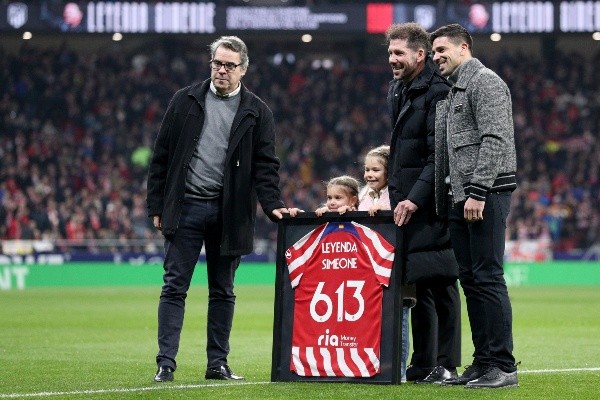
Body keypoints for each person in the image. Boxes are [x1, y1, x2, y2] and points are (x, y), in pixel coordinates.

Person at [146, 35, 294, 383]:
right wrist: (157, 205)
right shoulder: (185, 100)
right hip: (185, 210)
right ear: (210, 64)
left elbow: (265, 166)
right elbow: (161, 156)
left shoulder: (257, 111)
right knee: (173, 287)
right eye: (217, 63)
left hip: (229, 214)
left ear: (243, 69)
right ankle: (165, 363)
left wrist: (273, 206)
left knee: (223, 290)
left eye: (229, 65)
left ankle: (217, 363)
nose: (222, 70)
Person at [430, 23, 518, 389]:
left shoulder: (486, 82)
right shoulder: (452, 94)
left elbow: (495, 138)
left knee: (488, 277)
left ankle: (503, 365)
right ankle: (483, 363)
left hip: (485, 195)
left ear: (463, 47)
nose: (436, 58)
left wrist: (479, 191)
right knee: (471, 280)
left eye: (441, 50)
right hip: (459, 198)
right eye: (433, 52)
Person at [385, 22, 461, 384]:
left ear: (419, 54)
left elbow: (439, 155)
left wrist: (414, 198)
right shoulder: (399, 90)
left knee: (442, 282)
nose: (392, 60)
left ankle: (447, 362)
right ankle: (424, 361)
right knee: (419, 282)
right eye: (389, 53)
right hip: (408, 201)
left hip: (434, 202)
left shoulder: (438, 92)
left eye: (399, 53)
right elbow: (403, 151)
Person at [357, 144, 415, 383]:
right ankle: (370, 366)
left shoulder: (396, 195)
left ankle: (398, 370)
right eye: (367, 169)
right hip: (366, 268)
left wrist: (384, 211)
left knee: (398, 317)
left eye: (376, 170)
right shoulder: (363, 195)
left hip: (393, 266)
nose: (369, 174)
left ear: (389, 173)